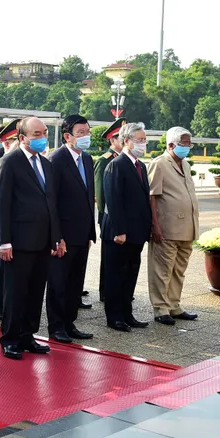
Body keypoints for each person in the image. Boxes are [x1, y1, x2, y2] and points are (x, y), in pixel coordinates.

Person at [0, 117, 64, 359]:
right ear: (22, 138)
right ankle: (10, 338)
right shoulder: (10, 162)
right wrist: (4, 241)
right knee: (16, 292)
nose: (42, 138)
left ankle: (28, 335)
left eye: (44, 133)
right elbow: (1, 204)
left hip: (43, 240)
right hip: (19, 241)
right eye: (36, 134)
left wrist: (57, 237)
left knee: (36, 291)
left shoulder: (45, 164)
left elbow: (51, 203)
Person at [45, 115, 95, 343]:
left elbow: (88, 198)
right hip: (63, 235)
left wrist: (90, 233)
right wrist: (57, 237)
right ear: (68, 136)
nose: (86, 136)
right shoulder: (56, 159)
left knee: (75, 282)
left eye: (88, 131)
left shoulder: (86, 159)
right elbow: (51, 202)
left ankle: (69, 322)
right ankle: (56, 327)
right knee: (59, 282)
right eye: (81, 132)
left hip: (82, 234)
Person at [147, 126, 200, 325]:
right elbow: (152, 196)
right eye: (183, 143)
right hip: (167, 227)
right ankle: (160, 308)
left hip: (187, 226)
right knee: (162, 269)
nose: (187, 146)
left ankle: (174, 305)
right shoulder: (159, 164)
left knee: (179, 269)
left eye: (188, 143)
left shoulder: (185, 164)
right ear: (171, 145)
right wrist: (155, 226)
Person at [101, 122, 151, 333]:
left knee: (130, 274)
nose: (143, 144)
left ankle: (127, 314)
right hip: (119, 233)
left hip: (136, 233)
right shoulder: (116, 164)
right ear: (126, 141)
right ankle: (115, 317)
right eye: (139, 140)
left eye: (144, 140)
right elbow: (113, 201)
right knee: (116, 276)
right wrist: (120, 230)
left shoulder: (140, 166)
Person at [0, 119, 20, 319]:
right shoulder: (0, 162)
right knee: (1, 271)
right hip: (3, 225)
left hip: (22, 227)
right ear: (7, 143)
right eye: (17, 139)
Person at [94, 118, 124, 301]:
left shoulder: (123, 160)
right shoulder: (105, 160)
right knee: (109, 258)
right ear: (112, 140)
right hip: (107, 215)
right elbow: (100, 193)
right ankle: (105, 291)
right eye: (121, 137)